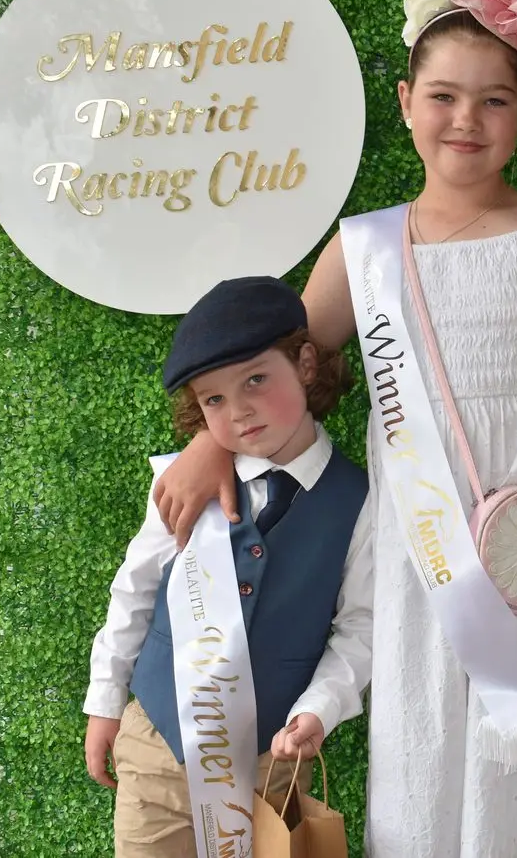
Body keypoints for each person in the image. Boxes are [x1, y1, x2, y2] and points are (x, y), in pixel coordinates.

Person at [152, 0, 517, 857]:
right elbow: (271, 375)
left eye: (493, 99)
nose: (464, 120)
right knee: (427, 749)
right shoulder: (364, 251)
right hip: (422, 558)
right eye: (441, 96)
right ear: (403, 101)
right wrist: (207, 445)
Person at [82, 276, 373, 857]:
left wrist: (320, 709)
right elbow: (134, 589)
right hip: (156, 746)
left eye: (256, 380)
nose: (239, 412)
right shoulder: (184, 485)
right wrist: (104, 701)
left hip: (273, 762)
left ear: (306, 364)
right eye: (213, 399)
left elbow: (361, 628)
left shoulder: (358, 500)